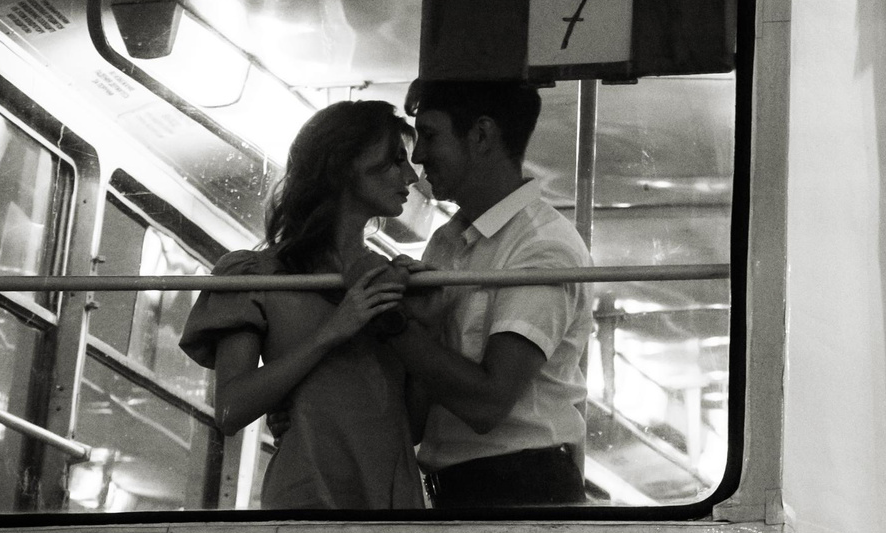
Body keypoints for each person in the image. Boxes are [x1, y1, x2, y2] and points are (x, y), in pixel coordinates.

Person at [181, 101, 424, 510]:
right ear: (344, 164)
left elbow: (410, 422)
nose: (411, 176)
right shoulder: (257, 275)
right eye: (395, 160)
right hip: (308, 496)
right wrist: (330, 334)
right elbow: (230, 409)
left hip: (392, 502)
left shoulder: (394, 279)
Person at [390, 79, 594, 508]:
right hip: (458, 493)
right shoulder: (447, 242)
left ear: (481, 135)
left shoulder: (543, 245)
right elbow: (414, 420)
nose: (419, 156)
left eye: (429, 135)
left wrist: (391, 325)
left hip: (525, 491)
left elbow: (487, 403)